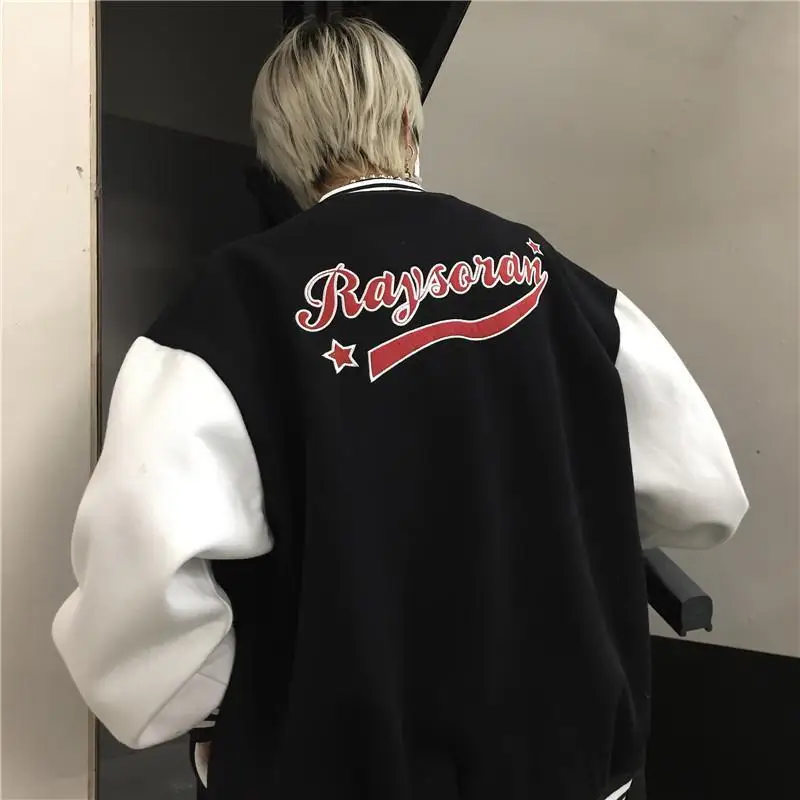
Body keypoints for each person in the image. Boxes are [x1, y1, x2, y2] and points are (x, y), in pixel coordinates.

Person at [52, 16, 748, 800]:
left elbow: (137, 593)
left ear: (280, 158)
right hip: (569, 764)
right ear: (411, 126)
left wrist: (222, 709)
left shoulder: (225, 311)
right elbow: (704, 497)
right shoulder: (552, 276)